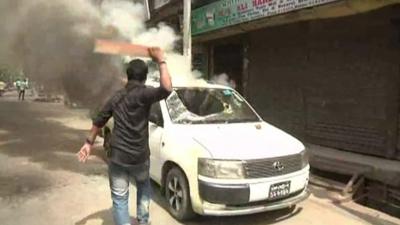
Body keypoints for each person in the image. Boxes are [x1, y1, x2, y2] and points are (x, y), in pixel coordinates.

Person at [77, 47, 172, 225]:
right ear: (144, 78)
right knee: (143, 189)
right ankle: (143, 221)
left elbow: (98, 121)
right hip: (140, 157)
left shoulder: (117, 97)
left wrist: (88, 143)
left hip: (118, 157)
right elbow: (167, 88)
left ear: (128, 77)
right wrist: (161, 60)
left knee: (120, 199)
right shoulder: (145, 94)